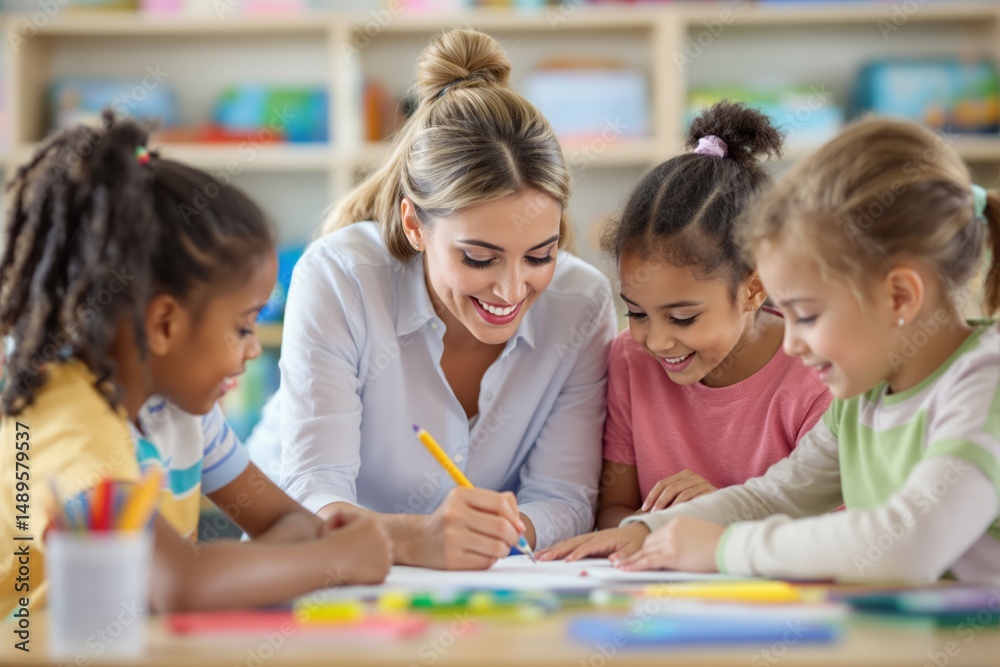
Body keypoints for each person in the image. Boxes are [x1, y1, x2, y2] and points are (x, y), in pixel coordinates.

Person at [550, 117, 1000, 583]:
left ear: (900, 296)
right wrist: (647, 530)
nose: (792, 343)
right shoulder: (864, 394)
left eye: (806, 315)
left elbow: (907, 546)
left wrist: (725, 548)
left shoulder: (985, 382)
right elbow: (770, 497)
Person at [246, 28, 617, 571]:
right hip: (304, 560)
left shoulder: (581, 303)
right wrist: (417, 539)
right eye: (478, 258)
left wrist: (499, 533)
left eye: (540, 255)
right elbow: (310, 495)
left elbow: (564, 498)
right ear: (414, 225)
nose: (512, 291)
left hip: (474, 582)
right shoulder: (340, 276)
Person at [0, 114, 392, 617]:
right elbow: (179, 588)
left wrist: (240, 565)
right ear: (164, 324)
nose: (253, 349)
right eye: (244, 325)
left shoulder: (182, 410)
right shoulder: (64, 419)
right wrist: (334, 560)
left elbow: (290, 525)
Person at [537, 103, 830, 563]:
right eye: (636, 313)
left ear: (754, 287)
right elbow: (612, 513)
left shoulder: (815, 376)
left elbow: (838, 532)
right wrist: (656, 525)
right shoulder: (630, 363)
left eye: (682, 318)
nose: (656, 342)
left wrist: (714, 517)